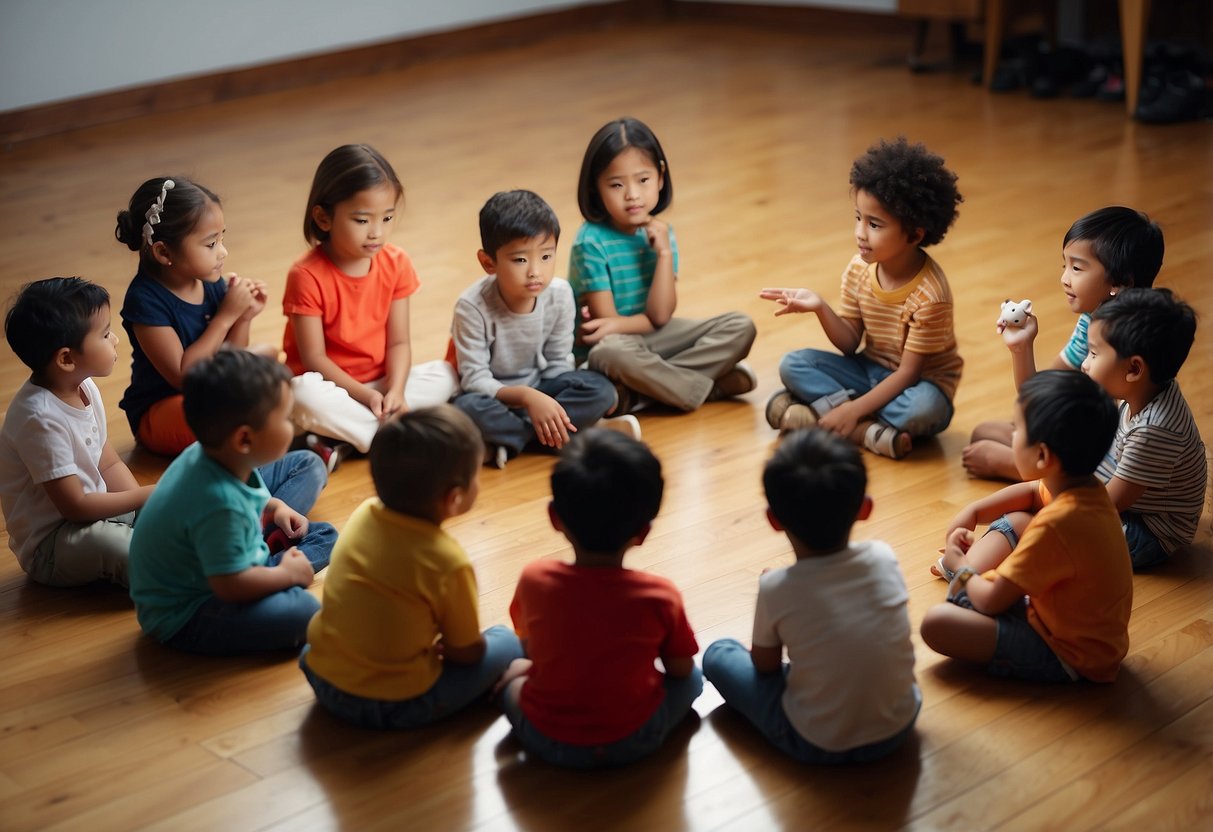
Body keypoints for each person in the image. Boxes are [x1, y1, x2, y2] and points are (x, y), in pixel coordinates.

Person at [702, 428, 920, 763]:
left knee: (717, 655)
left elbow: (766, 666)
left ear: (773, 520)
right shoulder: (883, 556)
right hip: (899, 726)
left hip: (818, 742)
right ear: (865, 509)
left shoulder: (776, 588)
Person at [300, 406, 523, 728]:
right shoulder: (447, 561)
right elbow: (467, 653)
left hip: (320, 671)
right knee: (506, 640)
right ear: (454, 498)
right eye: (477, 473)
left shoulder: (365, 512)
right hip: (390, 705)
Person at [498, 429, 702, 767]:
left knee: (511, 681)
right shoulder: (660, 596)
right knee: (694, 679)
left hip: (545, 737)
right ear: (643, 533)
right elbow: (681, 669)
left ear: (554, 518)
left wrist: (525, 669)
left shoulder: (534, 579)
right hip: (633, 740)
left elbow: (530, 648)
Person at [922, 370, 1132, 683]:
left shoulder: (1057, 526)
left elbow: (992, 601)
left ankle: (962, 579)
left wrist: (961, 566)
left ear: (1043, 455)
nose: (1011, 436)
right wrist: (975, 510)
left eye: (1016, 430)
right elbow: (1034, 492)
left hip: (1069, 653)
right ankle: (966, 582)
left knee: (936, 623)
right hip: (1067, 623)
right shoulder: (1085, 488)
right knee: (1020, 519)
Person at [761, 137, 963, 459]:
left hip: (918, 385)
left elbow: (908, 373)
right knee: (793, 364)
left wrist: (852, 408)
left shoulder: (931, 295)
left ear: (914, 234)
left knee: (923, 410)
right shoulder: (858, 269)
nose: (860, 232)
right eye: (858, 218)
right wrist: (819, 307)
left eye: (874, 224)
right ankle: (863, 431)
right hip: (868, 369)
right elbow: (848, 344)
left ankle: (821, 416)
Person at [128, 349, 337, 655]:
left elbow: (249, 481)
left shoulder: (216, 452)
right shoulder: (220, 504)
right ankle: (270, 574)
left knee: (323, 529)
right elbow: (228, 585)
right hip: (191, 610)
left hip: (223, 558)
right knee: (303, 612)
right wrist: (285, 576)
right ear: (244, 439)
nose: (292, 426)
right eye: (285, 418)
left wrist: (275, 508)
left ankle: (265, 565)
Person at [283, 144, 459, 466]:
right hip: (332, 387)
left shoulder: (396, 262)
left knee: (447, 374)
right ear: (323, 217)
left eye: (388, 217)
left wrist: (397, 391)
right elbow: (314, 359)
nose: (377, 232)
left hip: (379, 384)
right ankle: (391, 433)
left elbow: (400, 341)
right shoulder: (306, 274)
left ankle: (349, 440)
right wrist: (367, 397)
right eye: (362, 220)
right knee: (300, 394)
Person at [567, 117, 757, 414]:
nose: (632, 194)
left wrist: (664, 254)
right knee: (612, 351)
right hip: (610, 353)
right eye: (616, 184)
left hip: (651, 341)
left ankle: (643, 394)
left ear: (660, 177)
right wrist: (643, 324)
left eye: (643, 180)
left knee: (740, 326)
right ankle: (705, 388)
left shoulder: (661, 233)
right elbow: (607, 329)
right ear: (595, 189)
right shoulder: (589, 242)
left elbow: (661, 314)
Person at [962, 206, 1164, 480]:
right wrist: (1021, 346)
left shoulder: (1129, 345)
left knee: (986, 449)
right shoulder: (1092, 320)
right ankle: (1031, 464)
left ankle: (1032, 471)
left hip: (1107, 460)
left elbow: (1109, 446)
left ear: (1118, 282)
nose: (1064, 278)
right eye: (1064, 265)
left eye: (1077, 268)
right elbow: (1039, 398)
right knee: (983, 433)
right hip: (1082, 435)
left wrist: (1012, 460)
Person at [451, 189, 635, 468]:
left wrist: (546, 402)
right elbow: (475, 379)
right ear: (489, 262)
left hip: (543, 387)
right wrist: (527, 398)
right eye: (520, 260)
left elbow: (559, 364)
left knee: (601, 390)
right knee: (465, 409)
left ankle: (512, 442)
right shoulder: (471, 306)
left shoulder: (560, 294)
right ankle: (567, 437)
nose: (535, 271)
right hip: (496, 396)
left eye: (546, 257)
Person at [1, 277, 153, 587]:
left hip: (95, 513)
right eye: (106, 333)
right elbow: (75, 506)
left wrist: (143, 508)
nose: (116, 340)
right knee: (119, 546)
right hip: (53, 544)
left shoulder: (83, 385)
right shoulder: (39, 419)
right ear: (67, 359)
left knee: (161, 515)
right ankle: (177, 577)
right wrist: (144, 496)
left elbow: (107, 463)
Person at [115, 176, 275, 456]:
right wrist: (226, 317)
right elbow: (185, 378)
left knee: (269, 356)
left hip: (212, 394)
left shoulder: (210, 282)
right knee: (234, 406)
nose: (223, 252)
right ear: (164, 251)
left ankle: (261, 435)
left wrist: (244, 317)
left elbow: (230, 360)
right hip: (164, 410)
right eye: (211, 244)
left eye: (222, 238)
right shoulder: (145, 301)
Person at [1083, 288, 1205, 569]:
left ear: (1134, 369)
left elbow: (1108, 505)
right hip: (1133, 501)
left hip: (1150, 532)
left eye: (1093, 354)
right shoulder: (1145, 388)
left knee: (1058, 532)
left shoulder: (1154, 430)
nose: (1084, 364)